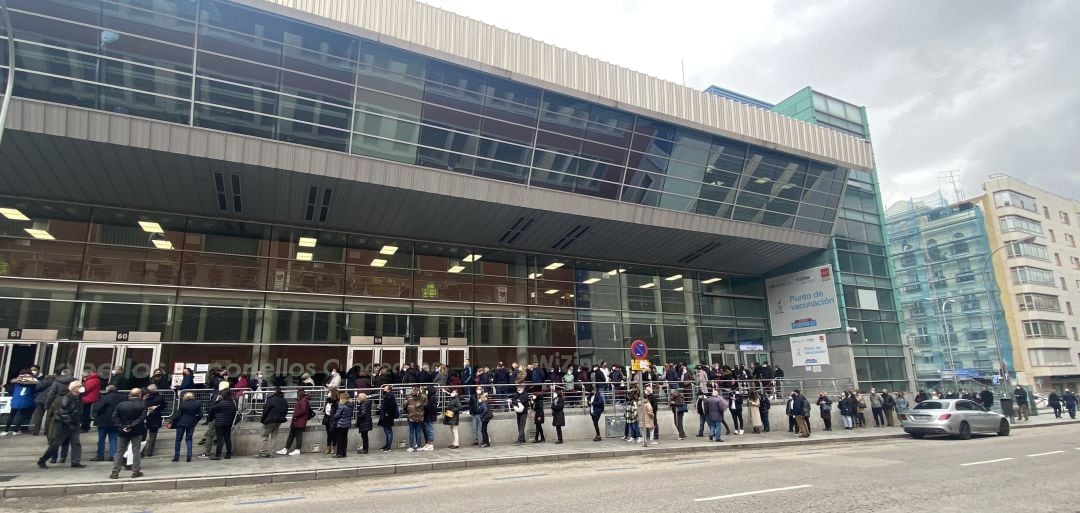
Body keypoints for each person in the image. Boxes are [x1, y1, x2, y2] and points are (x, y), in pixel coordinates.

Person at [38, 380, 85, 469]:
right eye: (79, 386)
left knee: (76, 443)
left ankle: (75, 461)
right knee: (56, 444)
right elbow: (63, 413)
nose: (81, 387)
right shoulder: (67, 398)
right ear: (74, 388)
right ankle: (42, 460)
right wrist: (69, 423)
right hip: (63, 424)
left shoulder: (78, 398)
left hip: (74, 423)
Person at [110, 388, 146, 479]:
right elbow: (141, 418)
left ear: (130, 394)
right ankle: (135, 471)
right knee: (136, 450)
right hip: (136, 430)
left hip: (123, 431)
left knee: (120, 451)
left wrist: (123, 426)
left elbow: (114, 416)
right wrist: (131, 425)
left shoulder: (121, 404)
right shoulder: (142, 404)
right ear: (140, 395)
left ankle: (115, 472)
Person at [90, 385, 123, 462]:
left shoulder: (105, 397)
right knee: (113, 439)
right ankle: (113, 455)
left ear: (107, 390)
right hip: (116, 421)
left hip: (103, 421)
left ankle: (100, 455)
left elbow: (98, 408)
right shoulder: (122, 397)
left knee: (101, 439)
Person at [168, 392, 202, 462]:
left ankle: (176, 456)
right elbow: (200, 415)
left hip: (181, 423)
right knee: (189, 439)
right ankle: (189, 454)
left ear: (185, 397)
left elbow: (178, 414)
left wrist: (171, 421)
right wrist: (195, 420)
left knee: (178, 439)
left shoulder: (183, 404)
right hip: (191, 423)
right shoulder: (197, 404)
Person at [3, 369, 37, 435]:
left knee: (11, 416)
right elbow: (35, 386)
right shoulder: (32, 384)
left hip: (15, 401)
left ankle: (6, 431)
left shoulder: (15, 382)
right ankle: (15, 431)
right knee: (21, 416)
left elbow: (10, 389)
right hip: (25, 402)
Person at [279, 388, 312, 456]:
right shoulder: (302, 400)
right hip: (297, 421)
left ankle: (297, 449)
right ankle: (286, 448)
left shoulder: (303, 400)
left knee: (298, 435)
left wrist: (296, 415)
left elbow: (303, 410)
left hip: (299, 421)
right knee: (292, 435)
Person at [258, 387, 288, 458]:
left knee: (264, 436)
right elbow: (286, 410)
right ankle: (272, 453)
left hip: (270, 420)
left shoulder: (271, 399)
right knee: (274, 437)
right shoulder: (284, 400)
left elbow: (265, 410)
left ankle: (263, 452)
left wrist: (263, 420)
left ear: (274, 392)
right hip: (278, 421)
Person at [208, 389, 237, 460]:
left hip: (219, 423)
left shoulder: (221, 403)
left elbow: (212, 408)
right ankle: (228, 454)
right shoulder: (232, 403)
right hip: (228, 423)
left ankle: (218, 455)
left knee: (220, 438)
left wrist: (217, 400)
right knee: (227, 438)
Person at [142, 385, 165, 457]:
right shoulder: (159, 398)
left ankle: (141, 451)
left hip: (145, 418)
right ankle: (149, 452)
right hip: (155, 418)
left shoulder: (145, 398)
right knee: (153, 436)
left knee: (143, 436)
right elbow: (163, 406)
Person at [377, 384, 399, 452]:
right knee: (387, 431)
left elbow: (390, 406)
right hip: (386, 416)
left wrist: (387, 413)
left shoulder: (390, 396)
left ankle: (388, 446)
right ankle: (387, 445)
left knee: (388, 431)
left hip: (387, 416)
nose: (384, 388)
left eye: (385, 388)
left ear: (389, 389)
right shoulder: (387, 396)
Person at [405, 386, 427, 452]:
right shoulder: (422, 397)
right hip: (420, 416)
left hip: (411, 416)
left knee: (411, 431)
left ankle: (411, 447)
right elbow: (426, 405)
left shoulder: (408, 397)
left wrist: (408, 412)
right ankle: (419, 446)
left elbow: (404, 405)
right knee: (418, 431)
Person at [331, 392, 352, 458]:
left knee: (339, 439)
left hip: (340, 424)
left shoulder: (341, 406)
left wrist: (332, 416)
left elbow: (337, 416)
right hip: (347, 425)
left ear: (342, 398)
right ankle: (344, 453)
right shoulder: (350, 406)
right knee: (344, 439)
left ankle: (339, 453)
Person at [322, 386, 340, 455]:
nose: (328, 395)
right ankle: (328, 447)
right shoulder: (327, 402)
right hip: (327, 418)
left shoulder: (336, 403)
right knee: (328, 434)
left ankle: (333, 447)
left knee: (334, 434)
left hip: (333, 419)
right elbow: (325, 410)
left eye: (329, 393)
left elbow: (337, 412)